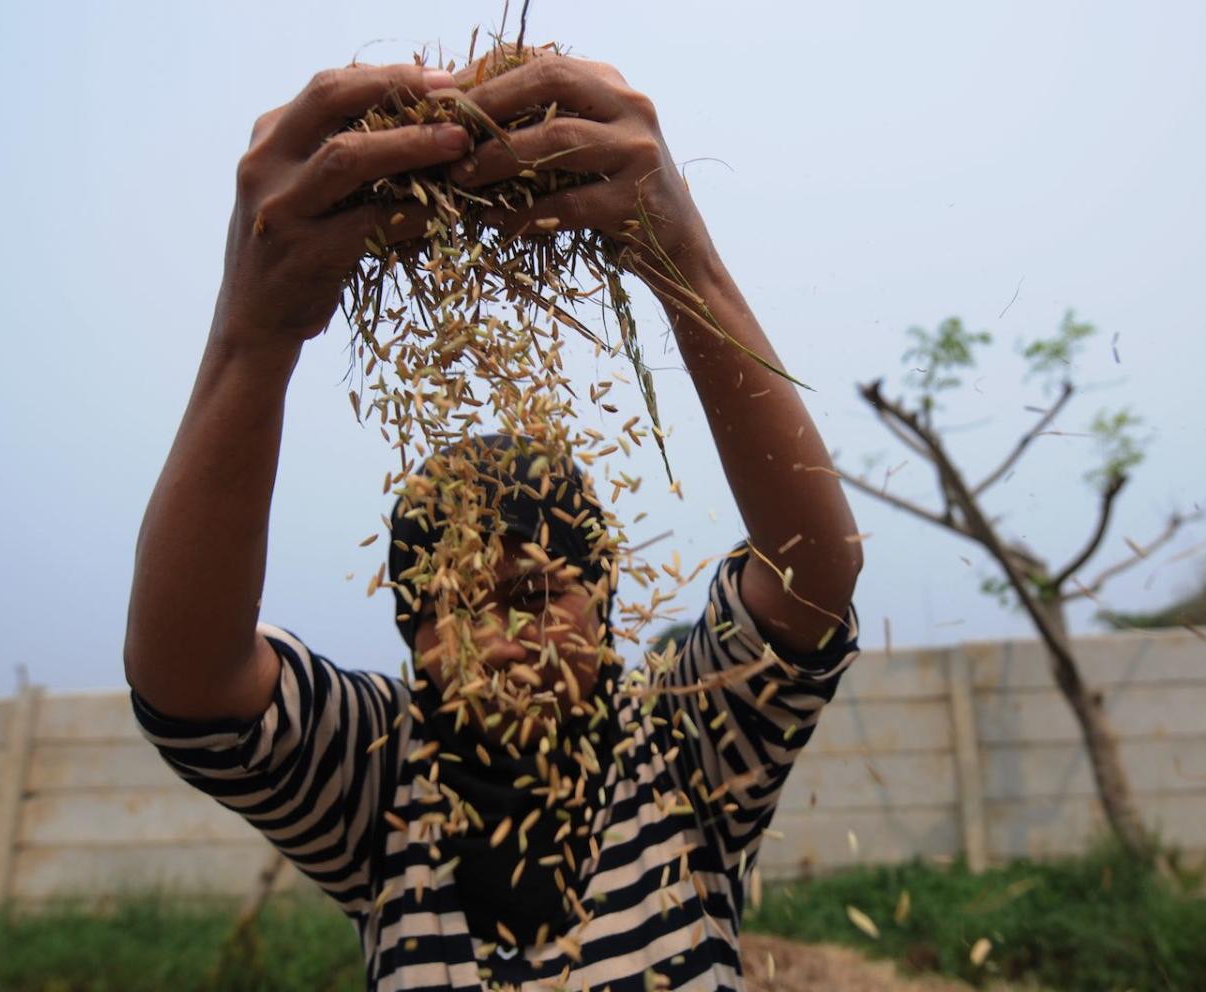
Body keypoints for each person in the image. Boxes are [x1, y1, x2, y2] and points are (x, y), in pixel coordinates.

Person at [125, 51, 863, 992]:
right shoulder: (384, 785)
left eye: (532, 592)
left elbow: (813, 578)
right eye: (452, 608)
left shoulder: (684, 750)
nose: (501, 643)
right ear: (409, 637)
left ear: (603, 594)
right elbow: (189, 688)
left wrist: (681, 260)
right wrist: (253, 332)